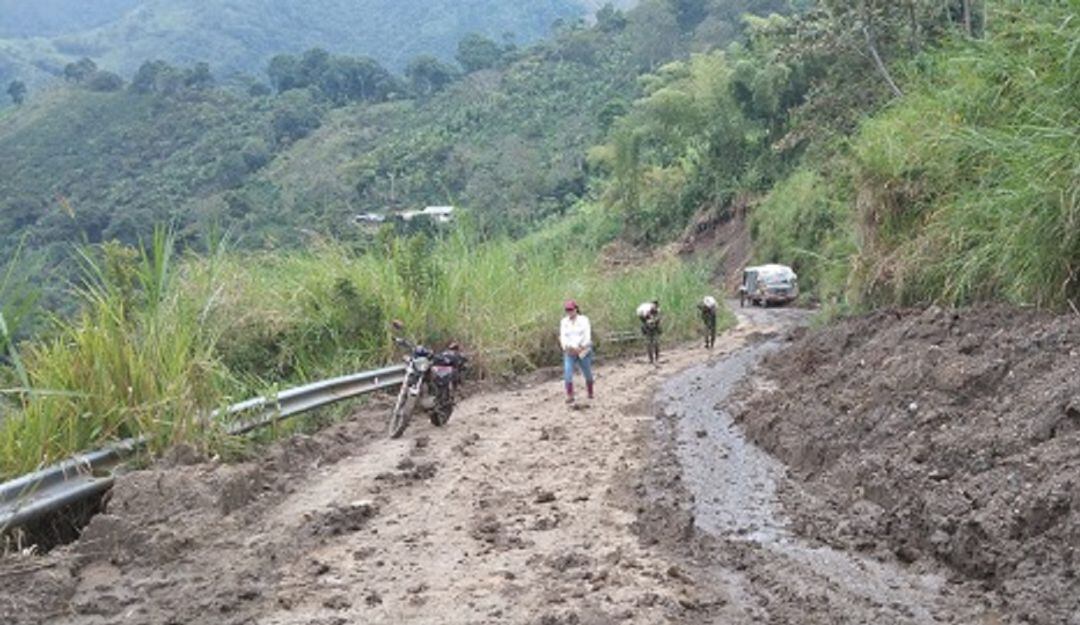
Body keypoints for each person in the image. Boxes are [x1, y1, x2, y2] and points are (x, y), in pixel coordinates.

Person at [559, 299, 594, 404]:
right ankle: (570, 395)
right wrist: (567, 347)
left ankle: (590, 391)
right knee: (567, 372)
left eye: (571, 309)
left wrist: (581, 347)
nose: (569, 312)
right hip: (570, 351)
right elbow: (563, 336)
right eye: (567, 310)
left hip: (583, 350)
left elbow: (587, 335)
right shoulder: (564, 322)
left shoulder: (584, 320)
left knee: (587, 372)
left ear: (576, 309)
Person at [636, 300, 661, 364]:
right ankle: (651, 359)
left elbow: (658, 320)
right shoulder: (644, 310)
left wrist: (654, 322)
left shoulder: (657, 311)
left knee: (656, 343)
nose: (654, 307)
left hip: (654, 328)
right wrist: (648, 323)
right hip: (647, 328)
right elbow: (643, 320)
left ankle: (657, 358)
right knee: (649, 343)